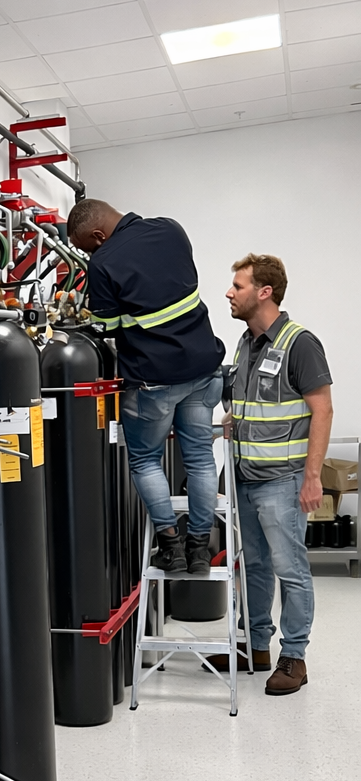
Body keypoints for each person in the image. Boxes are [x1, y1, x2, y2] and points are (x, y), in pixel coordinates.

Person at [68, 200, 225, 574]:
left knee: (144, 460)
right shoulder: (170, 227)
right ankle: (200, 548)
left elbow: (105, 326)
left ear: (98, 236)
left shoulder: (103, 263)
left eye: (87, 247)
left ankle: (171, 548)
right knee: (201, 459)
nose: (91, 253)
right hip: (203, 370)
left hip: (154, 382)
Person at [224, 254, 333, 696]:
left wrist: (312, 477)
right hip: (246, 477)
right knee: (253, 568)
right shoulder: (245, 343)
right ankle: (257, 646)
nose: (229, 293)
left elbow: (321, 409)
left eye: (238, 286)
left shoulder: (299, 342)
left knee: (290, 569)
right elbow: (249, 406)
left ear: (264, 292)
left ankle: (295, 657)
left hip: (283, 480)